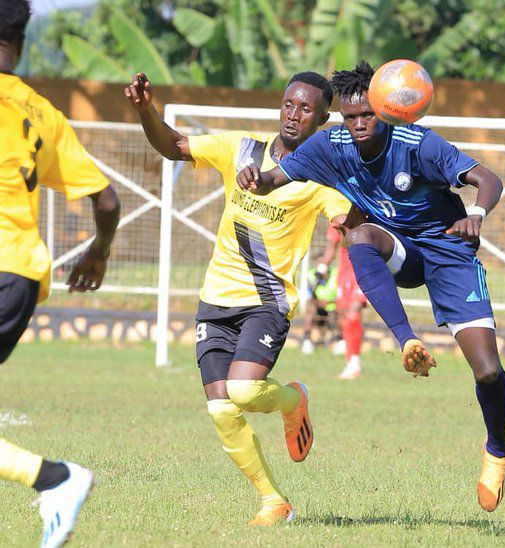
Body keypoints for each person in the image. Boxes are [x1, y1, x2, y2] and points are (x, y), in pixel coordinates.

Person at [237, 61, 505, 512]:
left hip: (449, 250)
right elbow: (274, 179)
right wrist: (257, 179)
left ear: (385, 110)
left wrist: (475, 215)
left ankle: (496, 448)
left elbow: (489, 180)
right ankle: (408, 342)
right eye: (350, 116)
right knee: (359, 234)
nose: (359, 124)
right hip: (399, 249)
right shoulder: (332, 144)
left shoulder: (418, 143)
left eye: (368, 115)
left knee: (487, 371)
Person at [125, 71, 350, 525]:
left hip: (266, 304)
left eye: (307, 109)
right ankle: (273, 501)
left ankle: (292, 400)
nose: (294, 114)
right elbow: (175, 146)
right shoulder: (241, 149)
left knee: (244, 391)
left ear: (323, 119)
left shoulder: (320, 179)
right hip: (215, 301)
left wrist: (358, 225)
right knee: (221, 410)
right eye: (289, 104)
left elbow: (345, 218)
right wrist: (146, 110)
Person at [0, 2, 121, 546]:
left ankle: (57, 479)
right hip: (19, 274)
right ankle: (53, 480)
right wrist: (98, 252)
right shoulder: (40, 113)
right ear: (20, 43)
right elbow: (108, 199)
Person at [317, 225, 368, 379]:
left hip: (365, 272)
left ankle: (354, 362)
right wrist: (322, 266)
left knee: (353, 313)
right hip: (345, 274)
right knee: (344, 317)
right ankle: (350, 360)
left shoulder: (368, 212)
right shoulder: (337, 217)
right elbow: (331, 247)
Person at [300, 260, 339, 355]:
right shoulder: (311, 275)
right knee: (310, 308)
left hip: (334, 305)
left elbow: (343, 296)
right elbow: (310, 297)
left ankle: (340, 340)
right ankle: (307, 340)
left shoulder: (336, 274)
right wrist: (319, 302)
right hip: (318, 305)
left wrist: (329, 302)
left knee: (343, 310)